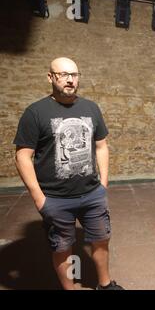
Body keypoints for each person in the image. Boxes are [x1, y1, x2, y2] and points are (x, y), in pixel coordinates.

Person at [13, 57, 123, 290]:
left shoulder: (91, 108)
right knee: (62, 248)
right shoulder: (35, 112)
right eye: (63, 74)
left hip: (92, 194)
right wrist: (39, 198)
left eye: (74, 75)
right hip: (55, 198)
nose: (70, 80)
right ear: (50, 77)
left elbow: (101, 146)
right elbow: (23, 156)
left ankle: (105, 284)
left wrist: (103, 183)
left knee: (101, 240)